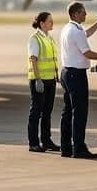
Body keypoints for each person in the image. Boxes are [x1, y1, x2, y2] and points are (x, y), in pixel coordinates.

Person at [58, 2, 97, 159]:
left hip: (66, 73)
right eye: (83, 12)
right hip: (76, 76)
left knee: (68, 112)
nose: (85, 15)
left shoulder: (69, 28)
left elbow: (86, 33)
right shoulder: (75, 32)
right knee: (80, 113)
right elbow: (87, 53)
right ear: (75, 14)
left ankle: (66, 148)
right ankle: (79, 149)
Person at [27, 12, 60, 153]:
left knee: (47, 112)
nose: (52, 23)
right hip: (39, 80)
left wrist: (56, 74)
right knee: (36, 111)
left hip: (50, 79)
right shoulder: (35, 39)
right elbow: (33, 59)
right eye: (49, 21)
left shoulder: (49, 38)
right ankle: (33, 143)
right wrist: (38, 79)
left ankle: (46, 141)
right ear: (42, 23)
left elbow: (52, 58)